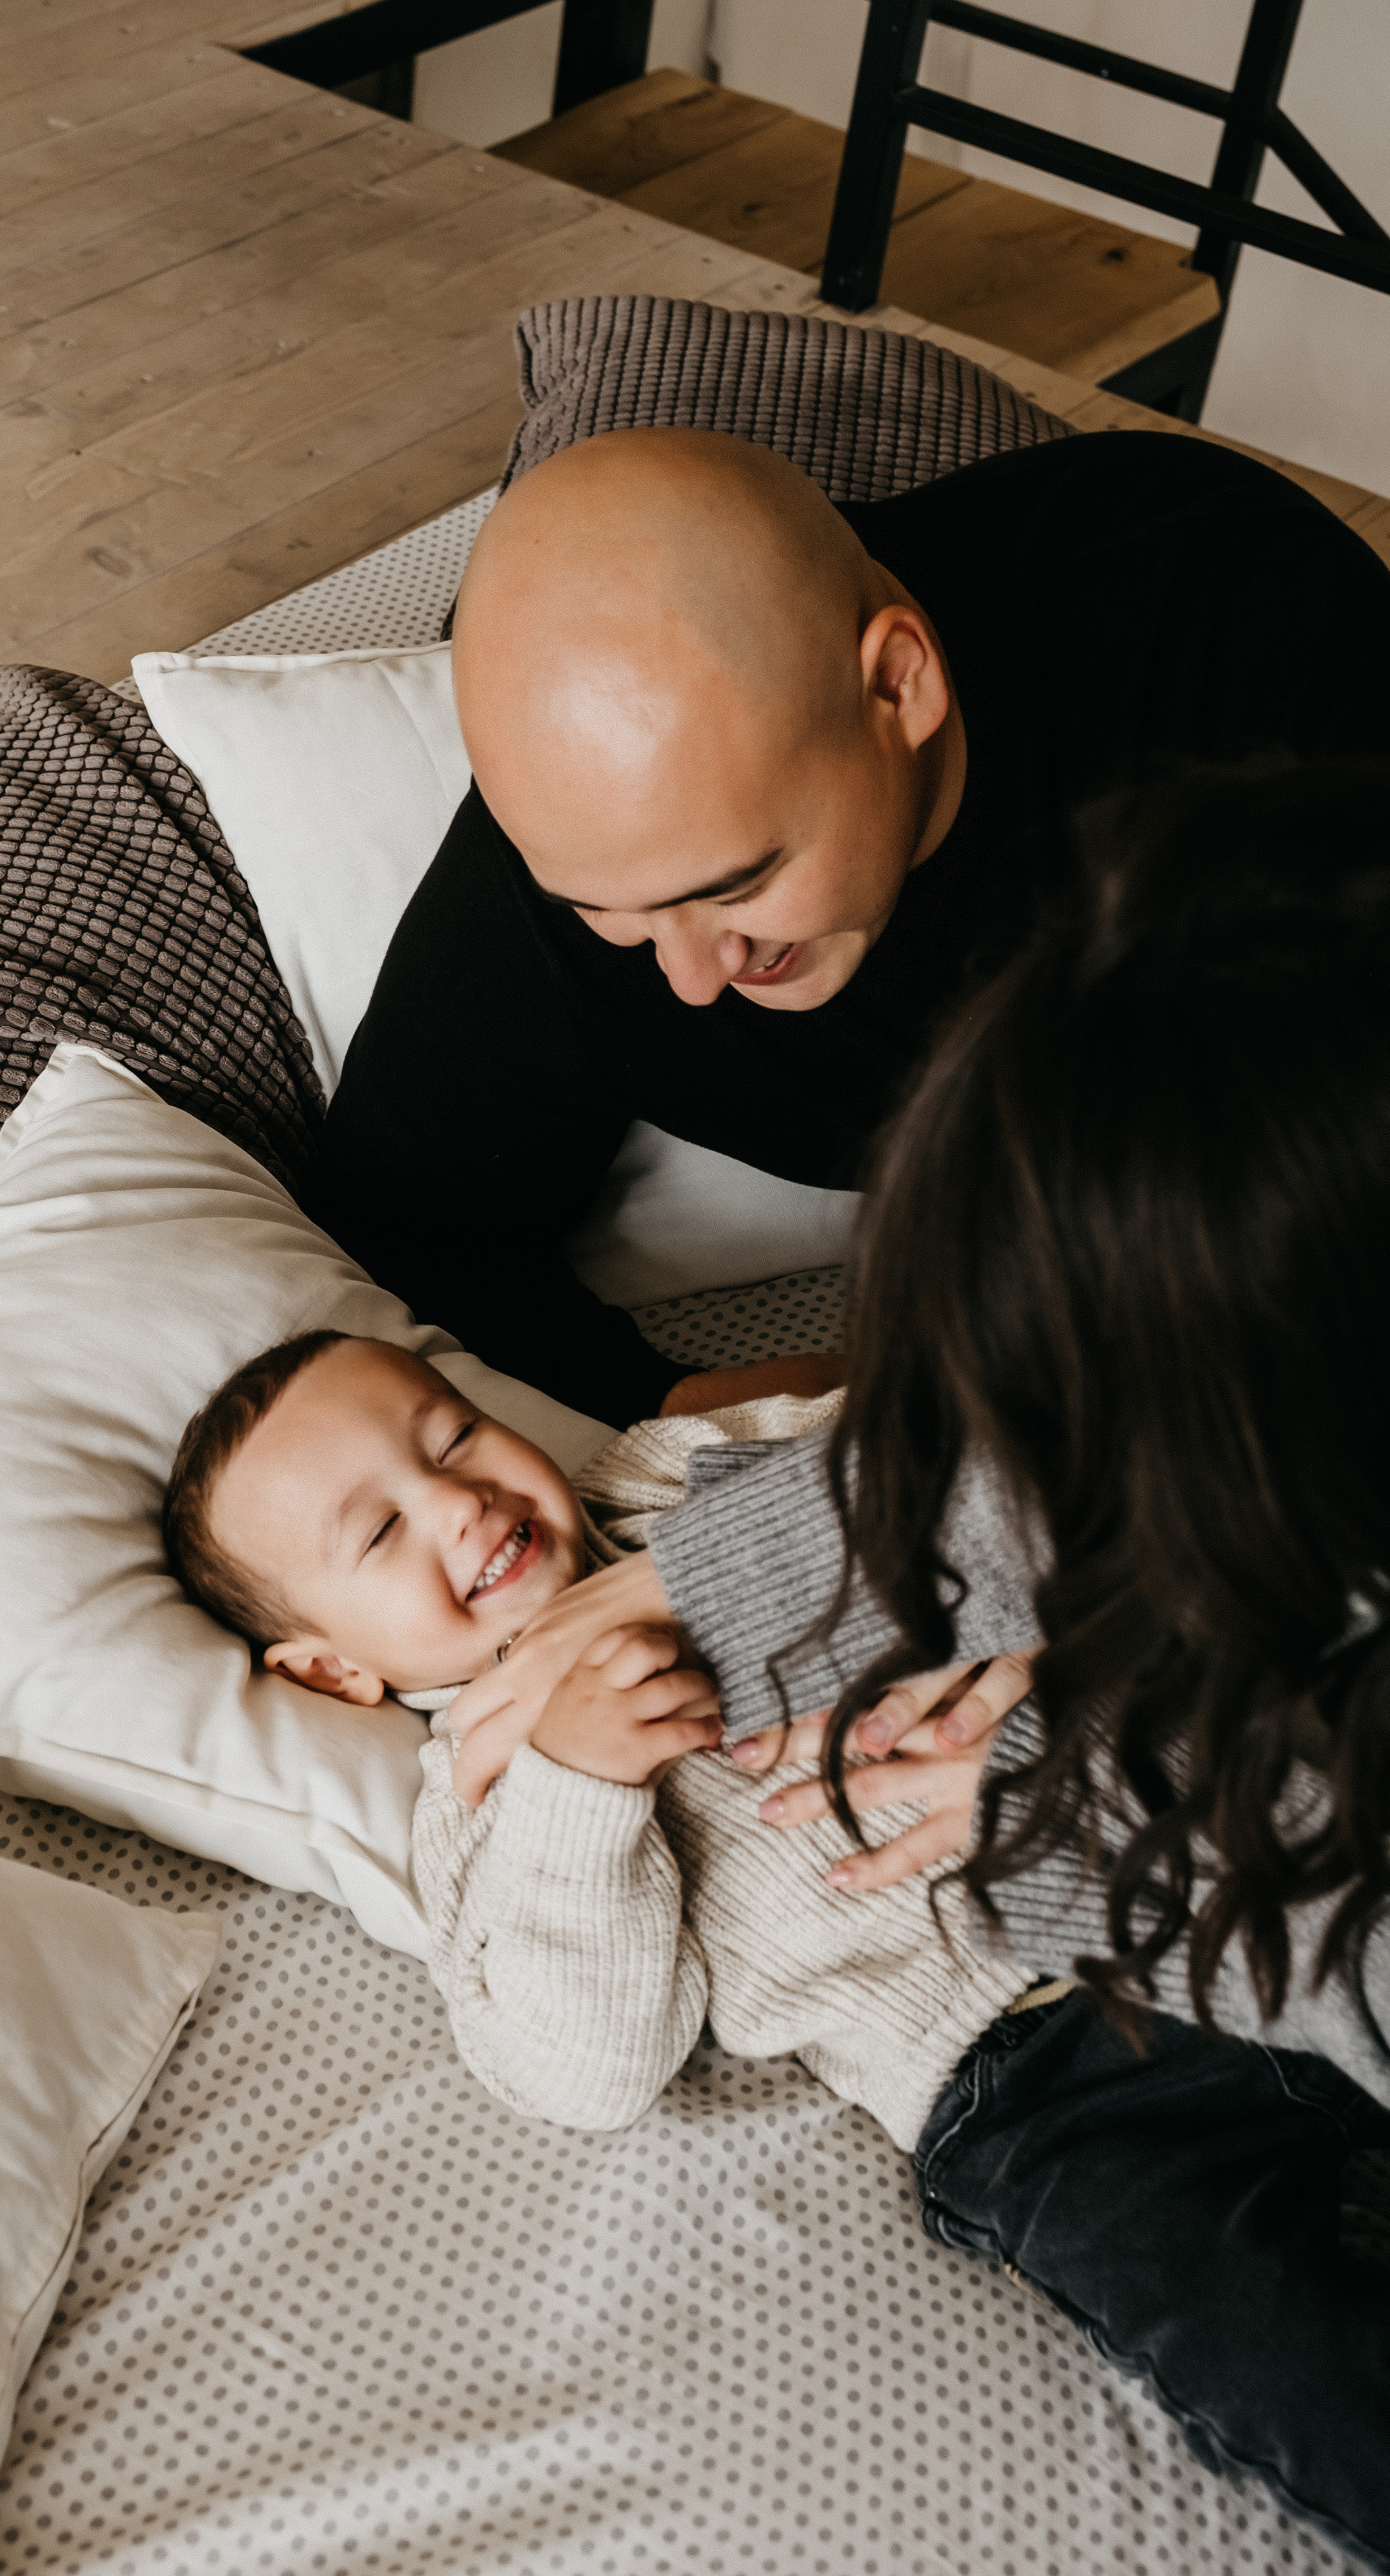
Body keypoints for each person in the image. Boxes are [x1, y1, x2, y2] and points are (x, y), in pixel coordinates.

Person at [160, 1322, 1390, 2572]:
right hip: (1037, 2088)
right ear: (328, 1668)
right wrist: (579, 1782)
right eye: (377, 1533)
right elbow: (578, 2071)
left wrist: (730, 1548)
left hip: (1199, 1856)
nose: (458, 1503)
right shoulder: (481, 1796)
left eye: (454, 1435)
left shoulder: (674, 1476)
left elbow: (960, 1450)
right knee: (1257, 2335)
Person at [314, 424, 1390, 1427]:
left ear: (898, 683)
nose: (692, 977)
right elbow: (402, 1230)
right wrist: (676, 1397)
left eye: (739, 883)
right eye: (617, 914)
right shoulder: (553, 890)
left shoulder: (1229, 613)